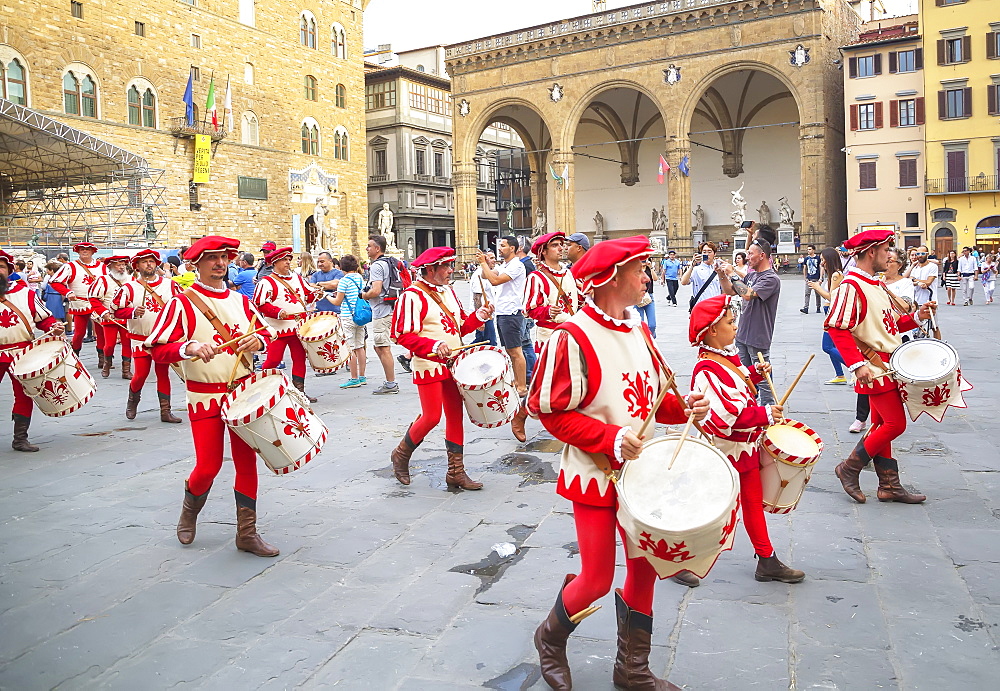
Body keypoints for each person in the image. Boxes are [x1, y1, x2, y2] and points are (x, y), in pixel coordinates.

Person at [527, 236, 709, 691]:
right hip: (594, 474)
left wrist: (686, 406)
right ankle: (549, 638)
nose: (648, 276)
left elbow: (657, 399)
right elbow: (548, 410)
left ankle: (632, 669)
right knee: (596, 579)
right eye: (640, 269)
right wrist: (609, 436)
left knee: (644, 567)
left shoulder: (639, 330)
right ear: (611, 278)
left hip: (641, 475)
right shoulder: (572, 336)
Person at [144, 236, 279, 557]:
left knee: (247, 464)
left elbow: (264, 333)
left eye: (224, 258)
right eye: (212, 258)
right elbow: (157, 348)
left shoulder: (241, 301)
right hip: (204, 395)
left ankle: (247, 533)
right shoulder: (182, 303)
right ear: (197, 264)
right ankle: (189, 510)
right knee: (208, 465)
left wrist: (257, 343)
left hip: (244, 395)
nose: (220, 263)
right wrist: (188, 347)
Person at [690, 295, 805, 583]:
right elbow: (727, 418)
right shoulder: (707, 370)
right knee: (707, 509)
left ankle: (766, 559)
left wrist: (755, 372)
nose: (735, 326)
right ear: (713, 331)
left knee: (752, 505)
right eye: (730, 322)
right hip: (724, 453)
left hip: (743, 450)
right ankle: (680, 561)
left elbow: (739, 380)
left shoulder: (725, 356)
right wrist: (765, 414)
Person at [825, 229, 936, 505]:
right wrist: (856, 364)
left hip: (888, 364)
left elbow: (889, 326)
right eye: (887, 249)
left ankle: (888, 485)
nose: (891, 255)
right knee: (895, 424)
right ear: (871, 251)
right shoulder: (851, 286)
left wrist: (916, 317)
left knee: (880, 423)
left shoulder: (876, 284)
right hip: (874, 367)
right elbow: (837, 328)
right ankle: (849, 468)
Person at [389, 247, 493, 490]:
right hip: (428, 364)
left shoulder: (449, 292)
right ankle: (401, 454)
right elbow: (402, 335)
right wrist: (433, 345)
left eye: (450, 265)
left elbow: (459, 328)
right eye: (445, 266)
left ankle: (456, 472)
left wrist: (479, 316)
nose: (450, 270)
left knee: (456, 415)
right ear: (430, 269)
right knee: (432, 416)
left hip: (454, 363)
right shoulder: (412, 296)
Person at [0, 249, 65, 452]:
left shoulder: (25, 293)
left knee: (24, 394)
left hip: (22, 352)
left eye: (1, 267)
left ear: (8, 270)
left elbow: (44, 319)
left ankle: (20, 439)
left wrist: (54, 326)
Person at [519, 232, 579, 442]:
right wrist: (547, 312)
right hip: (550, 336)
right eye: (555, 245)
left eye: (562, 245)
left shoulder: (568, 273)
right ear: (543, 251)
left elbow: (578, 299)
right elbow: (529, 309)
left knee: (574, 380)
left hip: (572, 333)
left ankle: (570, 419)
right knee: (546, 383)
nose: (561, 248)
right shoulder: (537, 278)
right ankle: (522, 413)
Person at [112, 249, 183, 423]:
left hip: (162, 339)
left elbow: (183, 305)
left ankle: (165, 411)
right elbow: (115, 310)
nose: (149, 264)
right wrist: (133, 311)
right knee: (141, 374)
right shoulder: (129, 288)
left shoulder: (170, 285)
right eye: (144, 262)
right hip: (140, 339)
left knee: (163, 373)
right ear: (137, 266)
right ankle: (132, 401)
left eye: (152, 261)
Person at [716, 236, 780, 406]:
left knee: (763, 376)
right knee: (744, 373)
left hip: (759, 334)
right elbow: (731, 291)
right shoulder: (752, 276)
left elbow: (747, 294)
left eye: (751, 254)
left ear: (762, 255)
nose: (747, 257)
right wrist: (723, 276)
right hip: (743, 332)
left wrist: (732, 273)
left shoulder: (771, 278)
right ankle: (749, 404)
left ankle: (769, 408)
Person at [253, 246, 320, 402]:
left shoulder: (297, 277)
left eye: (289, 259)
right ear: (275, 262)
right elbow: (260, 303)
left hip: (298, 327)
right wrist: (277, 312)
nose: (288, 262)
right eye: (284, 260)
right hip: (278, 329)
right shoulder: (267, 282)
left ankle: (299, 392)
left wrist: (317, 293)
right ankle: (261, 390)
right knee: (273, 360)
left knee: (299, 358)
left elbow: (307, 296)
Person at [477, 236, 528, 401]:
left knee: (516, 350)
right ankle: (516, 380)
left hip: (511, 312)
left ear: (512, 248)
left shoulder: (517, 265)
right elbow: (487, 276)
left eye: (503, 246)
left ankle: (522, 385)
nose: (500, 249)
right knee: (509, 350)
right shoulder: (505, 265)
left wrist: (485, 264)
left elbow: (495, 281)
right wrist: (484, 263)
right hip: (502, 312)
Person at [49, 241, 107, 365]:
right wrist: (67, 292)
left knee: (101, 331)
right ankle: (74, 357)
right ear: (78, 252)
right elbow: (54, 281)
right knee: (79, 332)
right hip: (80, 303)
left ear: (93, 251)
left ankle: (103, 359)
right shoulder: (70, 266)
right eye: (81, 249)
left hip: (98, 303)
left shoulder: (102, 267)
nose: (84, 251)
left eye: (87, 249)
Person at [360, 235, 400, 395]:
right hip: (389, 309)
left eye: (369, 246)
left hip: (382, 311)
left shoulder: (377, 266)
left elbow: (376, 290)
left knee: (383, 347)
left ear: (377, 248)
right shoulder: (389, 262)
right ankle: (390, 382)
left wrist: (364, 295)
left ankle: (391, 384)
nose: (367, 249)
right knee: (379, 346)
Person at [88, 255, 133, 379]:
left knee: (127, 343)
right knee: (109, 345)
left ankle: (126, 370)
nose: (121, 268)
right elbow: (93, 298)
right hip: (110, 317)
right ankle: (107, 363)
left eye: (123, 265)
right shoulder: (102, 280)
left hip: (127, 317)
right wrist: (103, 312)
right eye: (118, 265)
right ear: (110, 267)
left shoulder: (132, 279)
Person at [807, 248, 848, 385]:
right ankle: (840, 374)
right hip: (829, 313)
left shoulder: (836, 275)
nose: (822, 262)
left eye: (823, 259)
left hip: (834, 314)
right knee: (832, 345)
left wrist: (817, 287)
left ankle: (855, 367)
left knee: (827, 346)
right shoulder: (833, 275)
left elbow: (832, 297)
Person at [330, 254, 368, 389]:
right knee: (360, 346)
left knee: (350, 348)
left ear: (342, 268)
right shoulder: (359, 278)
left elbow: (337, 301)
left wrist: (326, 296)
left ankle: (354, 378)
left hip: (348, 316)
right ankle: (362, 376)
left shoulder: (344, 281)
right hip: (360, 315)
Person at [903, 245, 936, 338]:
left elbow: (928, 282)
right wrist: (917, 282)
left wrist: (915, 280)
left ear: (927, 254)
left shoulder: (932, 266)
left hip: (929, 300)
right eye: (918, 254)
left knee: (934, 326)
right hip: (916, 301)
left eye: (922, 253)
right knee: (917, 327)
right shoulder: (915, 267)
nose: (919, 256)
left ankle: (939, 346)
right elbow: (909, 280)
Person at [470, 251, 499, 347]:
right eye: (491, 258)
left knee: (483, 341)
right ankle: (460, 354)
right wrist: (479, 319)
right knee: (489, 342)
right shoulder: (479, 274)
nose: (494, 260)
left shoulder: (489, 273)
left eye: (494, 257)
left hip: (488, 314)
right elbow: (477, 298)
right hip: (483, 315)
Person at [680, 241, 722, 307]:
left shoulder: (720, 269)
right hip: (700, 306)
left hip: (716, 305)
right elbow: (683, 282)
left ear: (714, 254)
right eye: (704, 252)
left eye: (709, 252)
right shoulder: (696, 269)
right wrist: (692, 265)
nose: (707, 254)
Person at [635, 257, 659, 337]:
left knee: (652, 325)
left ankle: (651, 338)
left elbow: (655, 279)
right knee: (640, 323)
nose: (643, 262)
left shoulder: (649, 269)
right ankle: (644, 342)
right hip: (638, 297)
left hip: (649, 297)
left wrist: (651, 267)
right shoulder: (635, 270)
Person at [41, 261, 67, 329]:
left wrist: (61, 300)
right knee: (52, 317)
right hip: (51, 298)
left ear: (52, 270)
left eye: (47, 270)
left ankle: (62, 334)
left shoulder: (59, 279)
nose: (46, 271)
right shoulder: (50, 278)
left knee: (57, 317)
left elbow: (63, 291)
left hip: (55, 298)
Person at [801, 244, 821, 314]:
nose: (808, 251)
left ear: (813, 250)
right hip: (809, 278)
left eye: (810, 249)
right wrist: (805, 277)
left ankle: (818, 307)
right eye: (808, 249)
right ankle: (806, 307)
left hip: (816, 278)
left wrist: (821, 277)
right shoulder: (806, 258)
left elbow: (821, 267)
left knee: (818, 294)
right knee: (807, 293)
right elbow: (804, 268)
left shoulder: (818, 258)